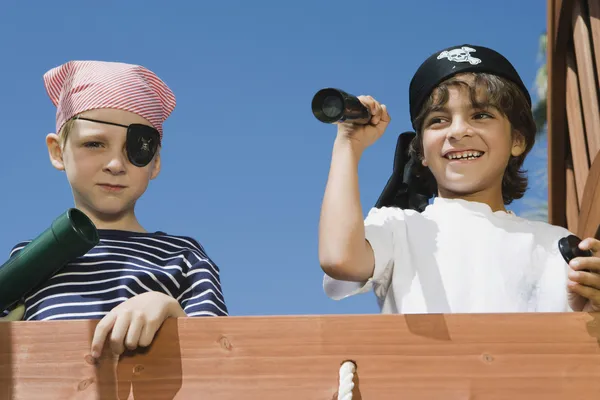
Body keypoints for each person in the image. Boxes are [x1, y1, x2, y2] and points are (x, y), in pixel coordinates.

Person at [318, 44, 600, 314]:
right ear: (422, 153)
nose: (458, 131)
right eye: (438, 120)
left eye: (480, 115)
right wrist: (348, 145)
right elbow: (340, 259)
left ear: (517, 140)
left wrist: (590, 308)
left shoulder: (558, 245)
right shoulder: (398, 228)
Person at [1, 60, 228, 358]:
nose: (115, 165)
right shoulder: (29, 262)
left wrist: (170, 310)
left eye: (136, 149)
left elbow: (219, 360)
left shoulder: (183, 258)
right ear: (58, 151)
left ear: (155, 162)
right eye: (94, 144)